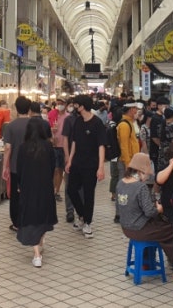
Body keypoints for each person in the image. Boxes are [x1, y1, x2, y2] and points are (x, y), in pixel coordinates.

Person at [115, 152, 173, 262]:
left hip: (125, 228)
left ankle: (146, 261)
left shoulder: (120, 183)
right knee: (171, 230)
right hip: (139, 229)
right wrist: (159, 209)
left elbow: (118, 208)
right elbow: (150, 212)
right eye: (147, 174)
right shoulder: (140, 187)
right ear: (140, 171)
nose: (147, 176)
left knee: (158, 231)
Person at [16, 118, 58, 268]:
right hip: (45, 186)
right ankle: (40, 242)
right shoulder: (48, 146)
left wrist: (20, 184)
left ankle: (37, 254)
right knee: (43, 215)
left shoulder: (23, 148)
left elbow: (19, 169)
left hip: (28, 187)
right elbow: (53, 167)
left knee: (30, 217)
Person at [65, 94, 106, 238]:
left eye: (76, 105)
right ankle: (82, 215)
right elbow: (74, 142)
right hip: (77, 162)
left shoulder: (97, 123)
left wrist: (101, 167)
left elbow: (101, 146)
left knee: (89, 194)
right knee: (71, 190)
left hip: (91, 165)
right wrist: (70, 160)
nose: (74, 107)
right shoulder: (77, 122)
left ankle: (87, 223)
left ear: (82, 106)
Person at [2, 96, 32, 232]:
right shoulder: (35, 124)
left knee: (15, 195)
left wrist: (5, 167)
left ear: (16, 108)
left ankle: (17, 223)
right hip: (33, 166)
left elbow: (8, 148)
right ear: (29, 109)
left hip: (15, 167)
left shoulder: (11, 126)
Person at [114, 101, 141, 223]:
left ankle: (126, 212)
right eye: (135, 109)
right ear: (130, 110)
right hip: (127, 162)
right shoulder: (125, 125)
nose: (137, 112)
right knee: (123, 189)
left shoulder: (130, 123)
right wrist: (127, 164)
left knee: (129, 189)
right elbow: (124, 146)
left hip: (132, 161)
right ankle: (119, 214)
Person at [48, 97, 68, 202]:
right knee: (54, 169)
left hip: (63, 146)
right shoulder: (52, 114)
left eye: (61, 103)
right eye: (58, 103)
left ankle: (57, 191)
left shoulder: (68, 117)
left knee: (60, 170)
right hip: (53, 145)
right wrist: (51, 132)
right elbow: (47, 128)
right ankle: (51, 190)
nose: (59, 105)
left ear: (65, 105)